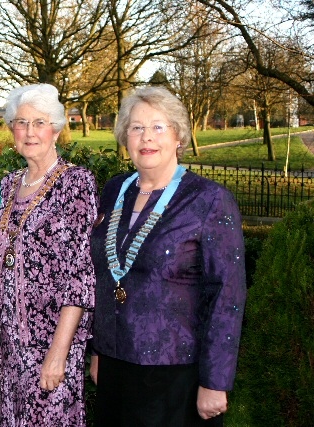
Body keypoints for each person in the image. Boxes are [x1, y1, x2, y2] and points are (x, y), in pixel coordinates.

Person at [89, 86, 247, 426]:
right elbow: (106, 276)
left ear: (178, 136)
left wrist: (215, 381)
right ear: (124, 137)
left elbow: (227, 295)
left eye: (158, 126)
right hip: (116, 366)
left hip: (177, 374)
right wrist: (101, 351)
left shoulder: (208, 200)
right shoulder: (115, 190)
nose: (146, 137)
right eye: (136, 127)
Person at [0, 83, 99, 426]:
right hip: (9, 344)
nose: (29, 132)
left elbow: (80, 275)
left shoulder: (75, 183)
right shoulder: (7, 185)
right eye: (21, 123)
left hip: (52, 343)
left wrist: (58, 353)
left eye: (39, 122)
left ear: (55, 128)